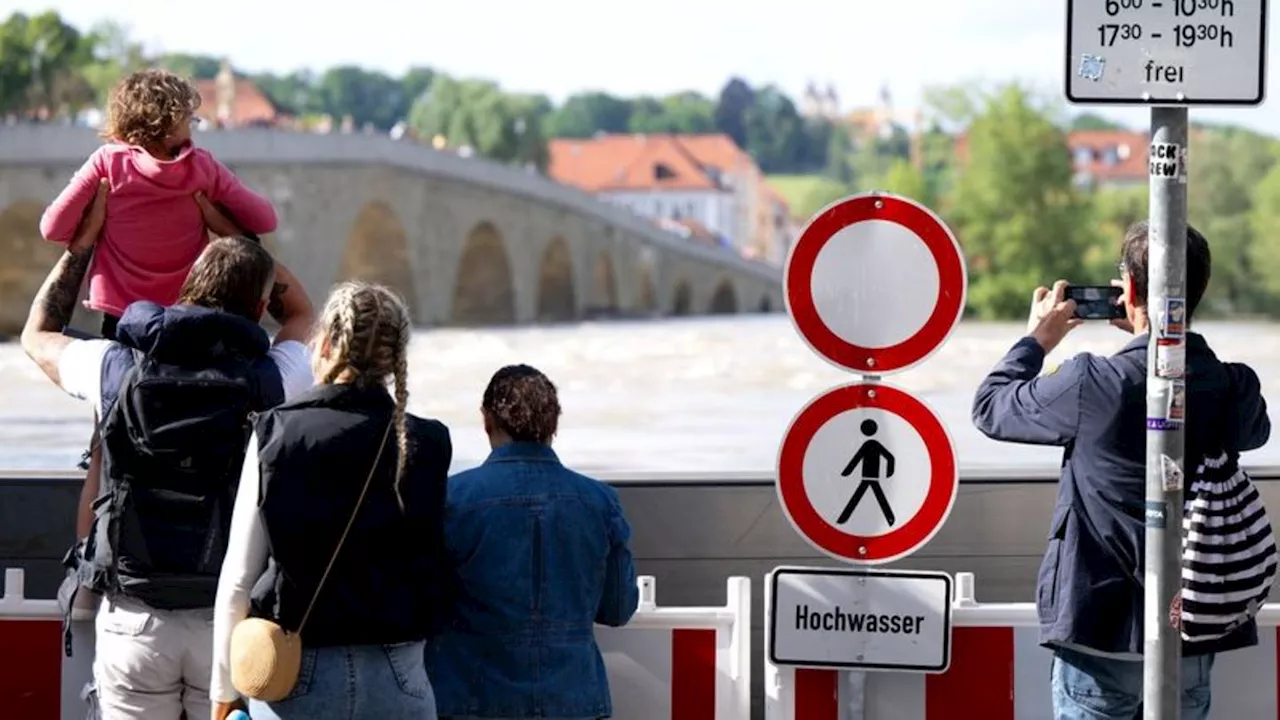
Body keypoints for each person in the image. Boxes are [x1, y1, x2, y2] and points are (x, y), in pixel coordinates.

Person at [21, 205, 316, 720]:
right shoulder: (272, 380)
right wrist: (240, 238)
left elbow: (38, 333)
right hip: (227, 617)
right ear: (260, 303)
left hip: (135, 615)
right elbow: (304, 316)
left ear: (186, 287)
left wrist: (82, 248)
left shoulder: (116, 369)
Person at [971, 222, 1271, 720]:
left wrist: (1037, 340)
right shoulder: (1234, 386)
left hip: (1101, 632)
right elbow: (1253, 433)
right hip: (1192, 634)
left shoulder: (1093, 382)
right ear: (1197, 290)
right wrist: (1157, 341)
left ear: (1128, 289)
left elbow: (991, 408)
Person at [211, 281, 453, 720]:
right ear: (395, 354)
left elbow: (238, 580)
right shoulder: (430, 442)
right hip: (399, 675)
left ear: (322, 342)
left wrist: (224, 690)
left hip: (295, 671)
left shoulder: (277, 433)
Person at [427, 364, 640, 720]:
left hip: (471, 700)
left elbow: (425, 606)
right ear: (554, 424)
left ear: (487, 420)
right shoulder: (600, 502)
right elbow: (618, 609)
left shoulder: (450, 499)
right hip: (576, 703)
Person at [39, 67, 278, 340]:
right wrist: (216, 217)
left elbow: (52, 228)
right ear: (171, 123)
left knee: (125, 379)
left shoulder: (107, 163)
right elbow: (265, 220)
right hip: (185, 311)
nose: (193, 126)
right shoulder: (201, 167)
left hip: (122, 315)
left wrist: (92, 224)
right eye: (191, 119)